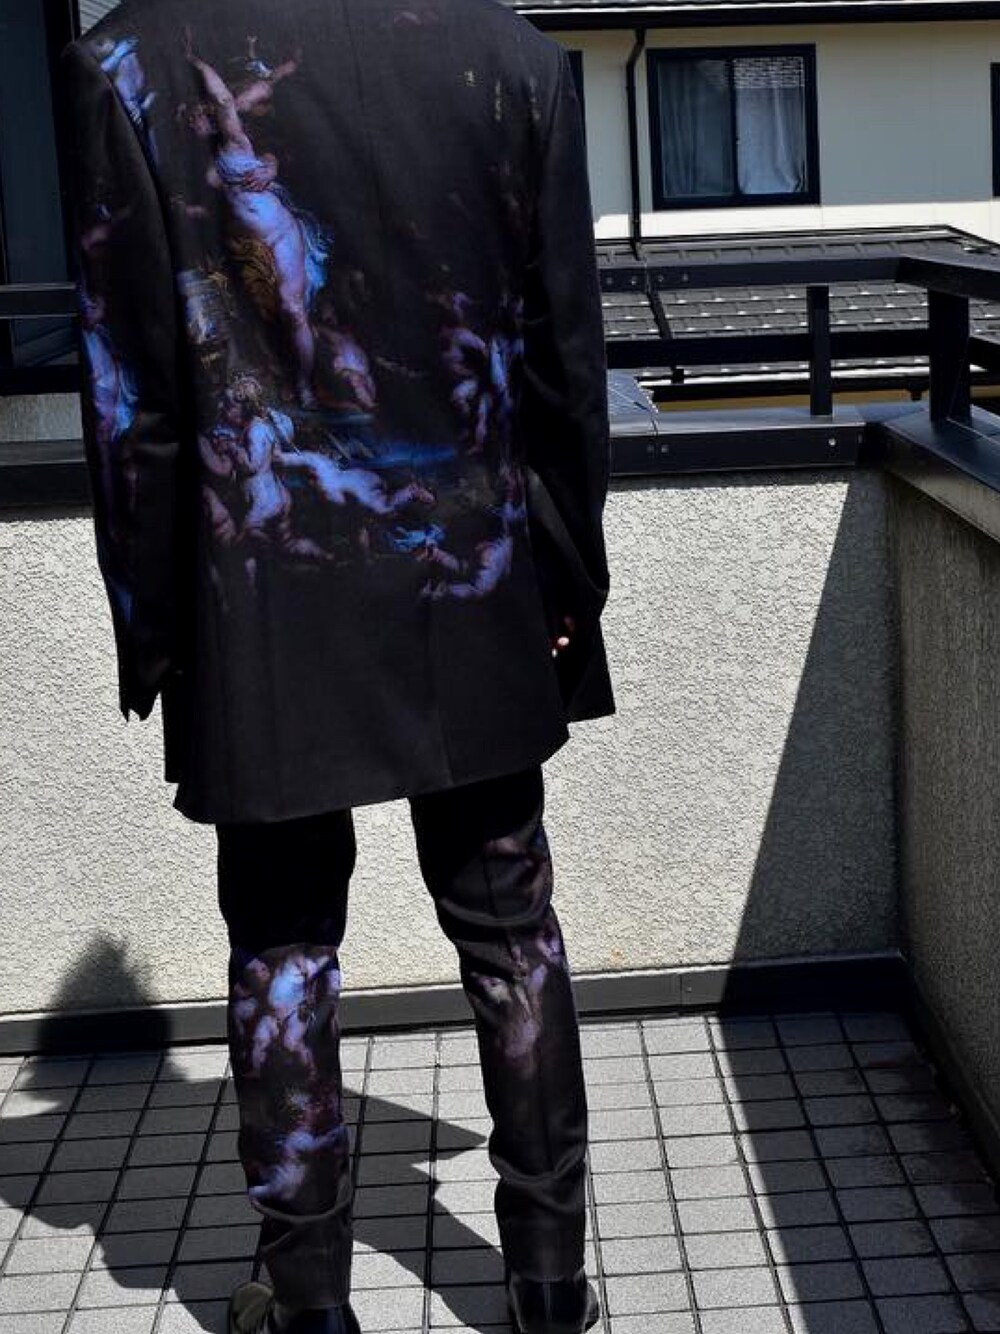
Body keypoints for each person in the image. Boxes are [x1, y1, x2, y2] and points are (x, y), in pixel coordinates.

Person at [59, 2, 613, 1333]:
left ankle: (308, 1301)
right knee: (511, 932)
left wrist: (154, 621)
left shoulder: (128, 63)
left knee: (284, 944)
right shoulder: (510, 59)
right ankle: (547, 1283)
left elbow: (131, 399)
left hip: (262, 589)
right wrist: (565, 585)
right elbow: (565, 364)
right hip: (469, 575)